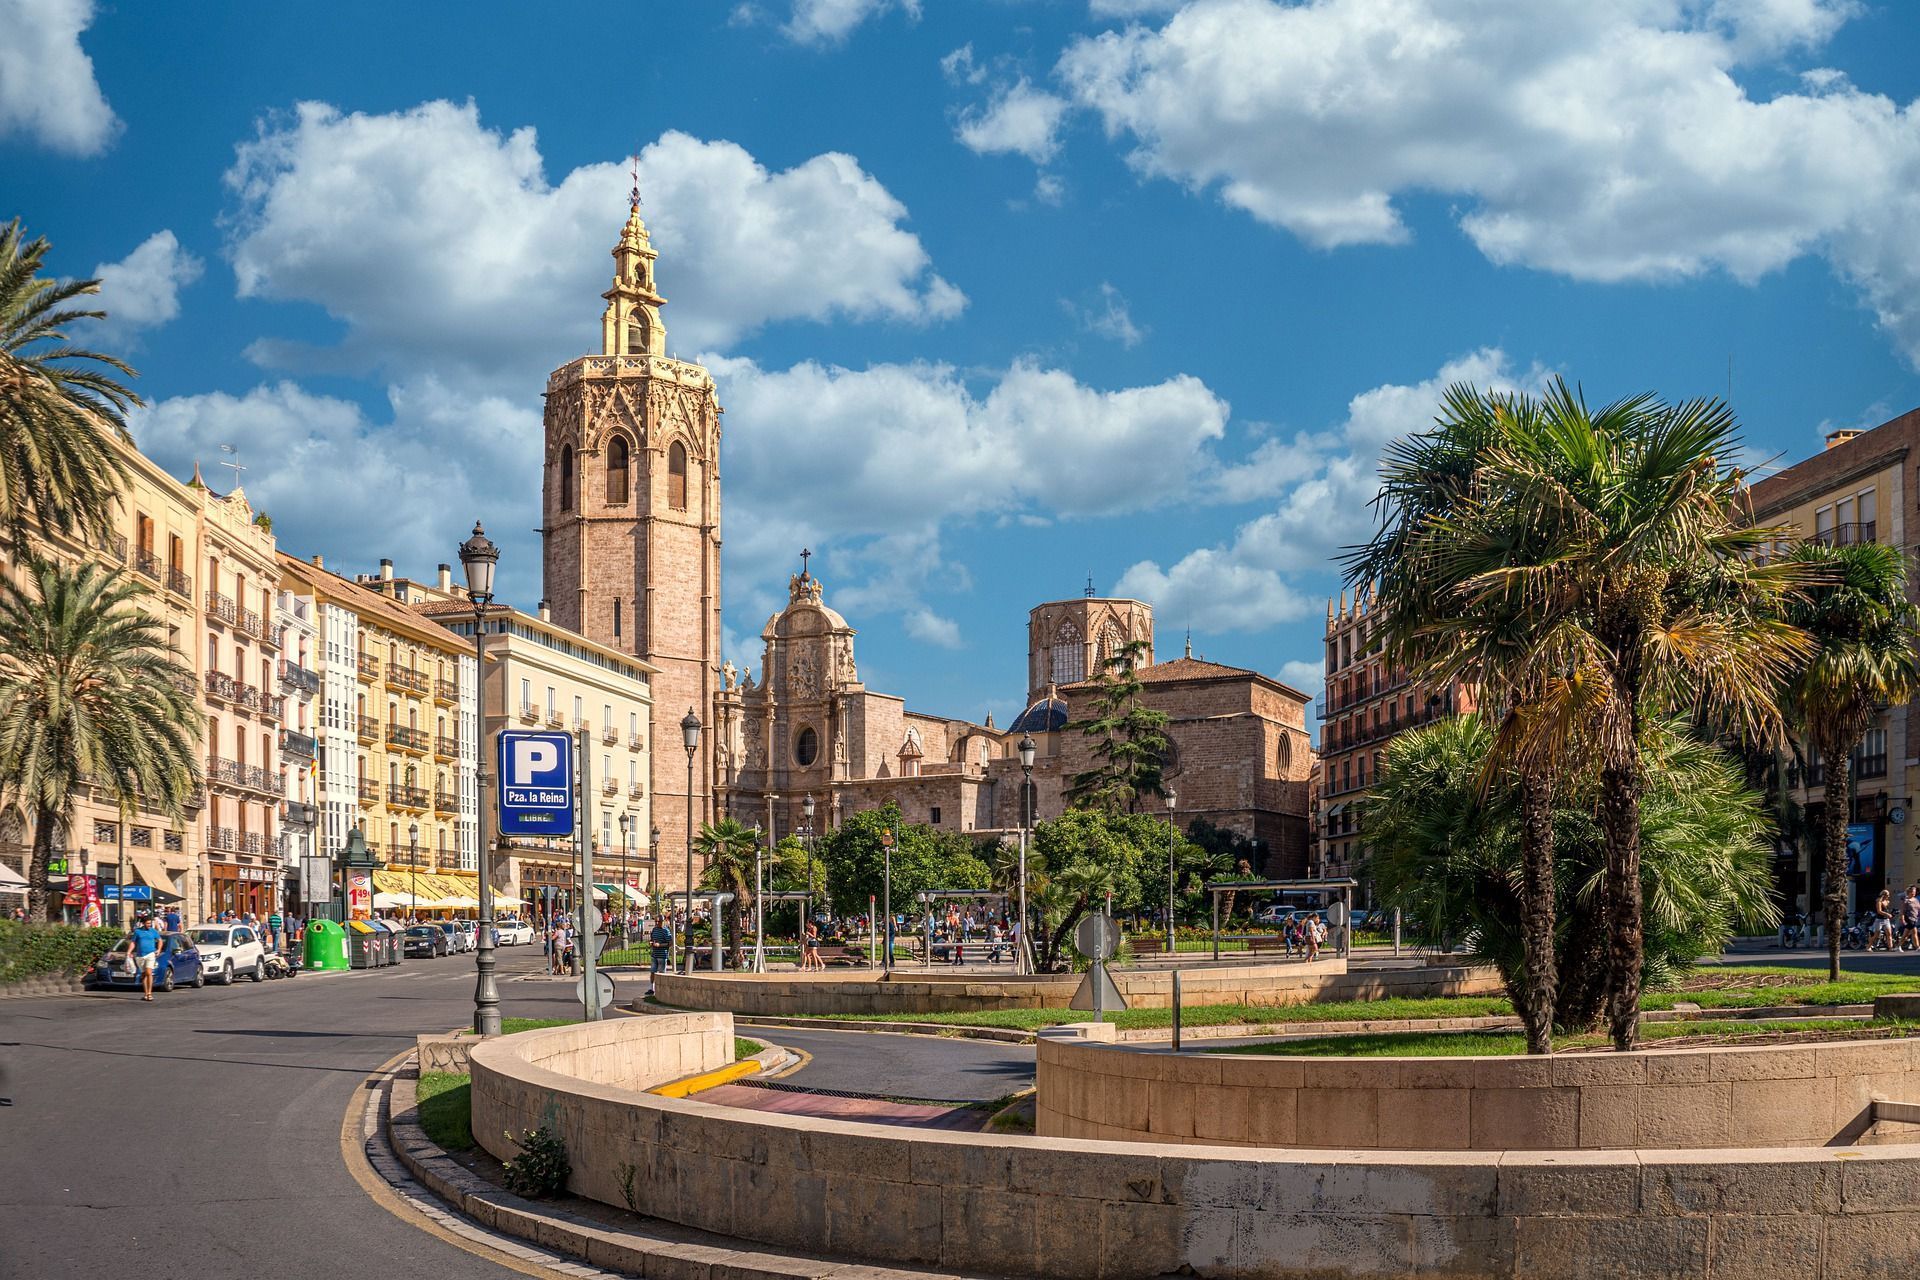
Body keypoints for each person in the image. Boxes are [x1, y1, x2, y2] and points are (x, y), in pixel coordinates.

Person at [129, 912, 165, 1001]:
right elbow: (133, 942)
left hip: (150, 954)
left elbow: (160, 940)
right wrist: (129, 951)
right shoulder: (137, 932)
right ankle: (146, 993)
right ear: (143, 923)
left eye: (150, 923)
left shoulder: (153, 931)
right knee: (143, 974)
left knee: (149, 973)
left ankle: (149, 993)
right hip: (140, 955)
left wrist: (159, 949)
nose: (149, 925)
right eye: (148, 923)